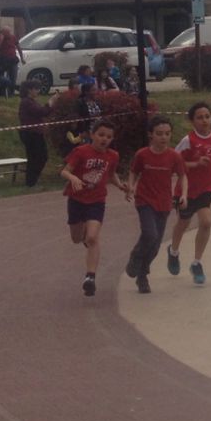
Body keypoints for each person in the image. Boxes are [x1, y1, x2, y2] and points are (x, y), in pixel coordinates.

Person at [168, 101, 211, 285]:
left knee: (206, 222)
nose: (204, 120)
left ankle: (197, 263)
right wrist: (195, 163)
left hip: (207, 188)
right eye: (200, 117)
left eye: (207, 116)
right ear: (192, 121)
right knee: (183, 224)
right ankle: (173, 252)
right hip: (186, 190)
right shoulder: (188, 141)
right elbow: (173, 163)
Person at [123, 116, 185, 293]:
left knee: (156, 245)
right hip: (144, 200)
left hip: (164, 203)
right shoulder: (142, 154)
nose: (164, 137)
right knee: (150, 234)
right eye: (159, 133)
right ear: (151, 135)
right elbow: (134, 172)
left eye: (167, 133)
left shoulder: (174, 156)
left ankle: (142, 276)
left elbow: (183, 176)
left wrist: (183, 194)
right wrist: (131, 187)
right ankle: (135, 257)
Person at [61, 118, 122, 297]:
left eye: (109, 137)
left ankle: (90, 277)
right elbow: (64, 171)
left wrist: (121, 186)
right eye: (101, 135)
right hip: (76, 200)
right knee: (77, 238)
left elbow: (111, 175)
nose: (104, 139)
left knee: (93, 238)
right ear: (92, 135)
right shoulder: (81, 151)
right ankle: (85, 238)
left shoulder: (113, 156)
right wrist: (73, 178)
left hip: (97, 201)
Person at [17, 81, 53, 187]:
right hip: (31, 134)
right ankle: (31, 181)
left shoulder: (31, 101)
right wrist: (50, 103)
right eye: (36, 89)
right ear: (29, 90)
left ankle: (32, 180)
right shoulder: (26, 102)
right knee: (37, 157)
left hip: (36, 133)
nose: (38, 91)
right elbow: (40, 112)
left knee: (38, 157)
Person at [0, 27, 21, 96]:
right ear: (3, 33)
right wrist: (1, 40)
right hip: (3, 60)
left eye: (9, 32)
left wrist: (22, 58)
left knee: (13, 77)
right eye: (7, 33)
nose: (9, 34)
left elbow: (18, 47)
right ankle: (2, 92)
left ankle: (11, 93)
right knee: (2, 77)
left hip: (13, 60)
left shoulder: (13, 37)